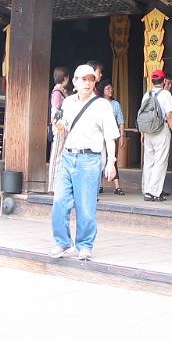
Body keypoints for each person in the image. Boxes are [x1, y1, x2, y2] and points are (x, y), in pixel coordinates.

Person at [50, 64, 119, 261]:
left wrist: (111, 162)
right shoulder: (68, 102)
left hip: (90, 159)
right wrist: (59, 126)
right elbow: (64, 127)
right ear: (75, 82)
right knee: (59, 201)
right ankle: (63, 242)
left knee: (86, 206)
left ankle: (85, 245)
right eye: (83, 79)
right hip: (68, 156)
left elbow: (110, 136)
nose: (87, 83)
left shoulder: (102, 105)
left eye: (90, 79)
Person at [140, 69, 172, 202]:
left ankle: (147, 189)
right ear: (163, 81)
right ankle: (154, 192)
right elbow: (169, 115)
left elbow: (142, 115)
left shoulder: (147, 94)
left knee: (149, 161)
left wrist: (142, 133)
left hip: (148, 131)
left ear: (152, 81)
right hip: (161, 129)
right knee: (160, 161)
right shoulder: (166, 94)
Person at [47, 66, 70, 193]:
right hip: (59, 127)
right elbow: (55, 111)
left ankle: (57, 185)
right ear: (65, 78)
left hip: (62, 127)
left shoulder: (61, 91)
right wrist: (58, 125)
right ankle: (52, 186)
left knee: (60, 156)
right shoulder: (57, 92)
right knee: (56, 156)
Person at [100, 79, 125, 195]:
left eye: (111, 88)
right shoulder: (98, 103)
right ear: (103, 90)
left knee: (112, 159)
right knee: (99, 159)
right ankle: (99, 185)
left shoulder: (115, 104)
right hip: (99, 135)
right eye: (108, 88)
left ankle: (117, 186)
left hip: (111, 135)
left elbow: (121, 121)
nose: (111, 90)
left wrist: (122, 136)